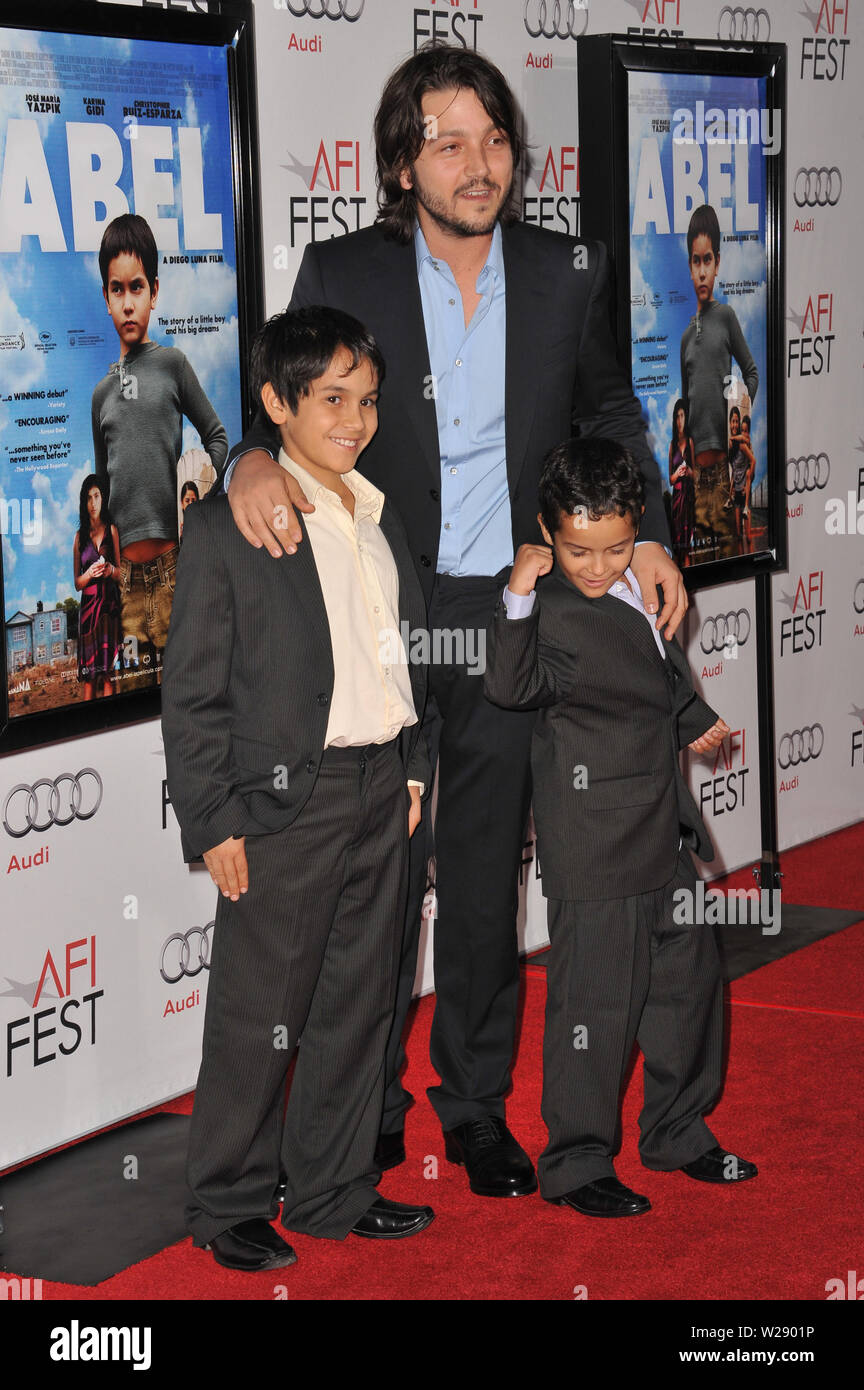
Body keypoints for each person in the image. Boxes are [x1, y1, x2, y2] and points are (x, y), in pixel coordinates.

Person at [219, 44, 686, 1199]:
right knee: (367, 874)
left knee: (479, 874)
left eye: (493, 140)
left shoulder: (565, 268)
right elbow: (277, 396)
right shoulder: (343, 268)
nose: (478, 166)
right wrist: (243, 463)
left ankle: (472, 1105)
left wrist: (659, 532)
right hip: (376, 605)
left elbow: (611, 408)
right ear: (399, 160)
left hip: (501, 615)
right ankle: (359, 1108)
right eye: (447, 141)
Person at [161, 306, 434, 1273]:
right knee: (258, 1010)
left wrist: (410, 767)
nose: (355, 421)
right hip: (285, 804)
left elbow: (406, 659)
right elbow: (193, 691)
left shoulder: (378, 511)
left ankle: (331, 1189)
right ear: (276, 403)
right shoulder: (229, 524)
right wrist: (212, 818)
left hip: (377, 787)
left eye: (366, 401)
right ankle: (229, 1200)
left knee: (362, 1007)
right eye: (330, 400)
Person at [484, 437, 757, 1217]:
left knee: (689, 987)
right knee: (593, 1008)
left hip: (661, 827)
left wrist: (694, 719)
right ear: (547, 530)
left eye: (612, 548)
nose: (597, 567)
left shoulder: (639, 577)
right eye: (576, 551)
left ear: (635, 526)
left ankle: (677, 1131)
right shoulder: (549, 606)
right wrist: (519, 593)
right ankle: (574, 1164)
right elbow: (509, 687)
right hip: (595, 843)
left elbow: (656, 675)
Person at [92, 214, 228, 679]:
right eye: (117, 289)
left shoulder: (173, 365)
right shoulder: (101, 394)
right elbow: (104, 489)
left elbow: (217, 437)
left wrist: (199, 489)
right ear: (106, 298)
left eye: (137, 288)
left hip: (175, 573)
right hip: (126, 586)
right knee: (133, 712)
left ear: (154, 290)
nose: (128, 303)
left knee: (188, 703)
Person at [679, 204, 758, 564]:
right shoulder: (683, 339)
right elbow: (685, 407)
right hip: (697, 482)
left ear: (718, 262)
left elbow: (751, 372)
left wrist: (739, 423)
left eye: (707, 260)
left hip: (725, 477)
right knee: (699, 578)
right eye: (695, 261)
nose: (701, 271)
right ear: (689, 265)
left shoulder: (725, 317)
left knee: (730, 569)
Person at [73, 474, 122, 699]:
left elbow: (121, 575)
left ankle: (110, 723)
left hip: (109, 611)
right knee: (89, 678)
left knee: (108, 674)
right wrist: (89, 574)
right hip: (88, 614)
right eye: (89, 498)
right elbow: (77, 583)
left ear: (103, 498)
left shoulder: (112, 531)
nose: (93, 503)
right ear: (84, 502)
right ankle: (87, 724)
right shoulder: (79, 538)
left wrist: (110, 569)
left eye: (97, 496)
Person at [668, 398, 695, 567]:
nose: (680, 420)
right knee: (676, 544)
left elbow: (696, 475)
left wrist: (689, 471)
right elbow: (670, 480)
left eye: (682, 416)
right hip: (677, 498)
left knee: (688, 543)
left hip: (689, 498)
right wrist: (677, 473)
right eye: (677, 416)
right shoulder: (672, 445)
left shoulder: (691, 442)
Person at [726, 408, 755, 554]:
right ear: (730, 423)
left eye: (737, 421)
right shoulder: (732, 447)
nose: (735, 425)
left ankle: (754, 568)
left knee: (748, 537)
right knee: (738, 536)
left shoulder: (743, 443)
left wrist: (749, 477)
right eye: (733, 421)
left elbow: (752, 463)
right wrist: (730, 493)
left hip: (745, 493)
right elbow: (734, 472)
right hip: (736, 494)